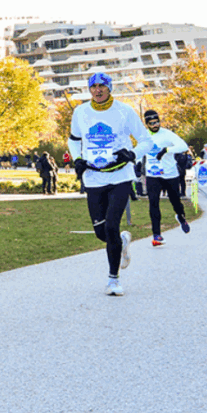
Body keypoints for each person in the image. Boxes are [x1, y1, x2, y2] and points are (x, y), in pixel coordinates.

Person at [68, 72, 154, 296]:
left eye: (102, 86)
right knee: (101, 232)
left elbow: (146, 141)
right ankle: (121, 242)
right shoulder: (80, 112)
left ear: (109, 88)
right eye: (93, 86)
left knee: (111, 226)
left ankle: (113, 280)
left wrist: (132, 154)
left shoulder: (124, 111)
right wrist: (77, 159)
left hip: (120, 177)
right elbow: (73, 140)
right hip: (93, 177)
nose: (97, 90)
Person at [140, 109, 190, 246]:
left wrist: (167, 150)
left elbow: (183, 146)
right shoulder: (144, 136)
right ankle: (156, 235)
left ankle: (180, 216)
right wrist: (136, 164)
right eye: (151, 123)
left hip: (170, 174)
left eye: (157, 122)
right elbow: (139, 151)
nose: (155, 125)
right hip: (153, 175)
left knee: (176, 202)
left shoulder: (167, 134)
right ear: (147, 124)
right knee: (153, 203)